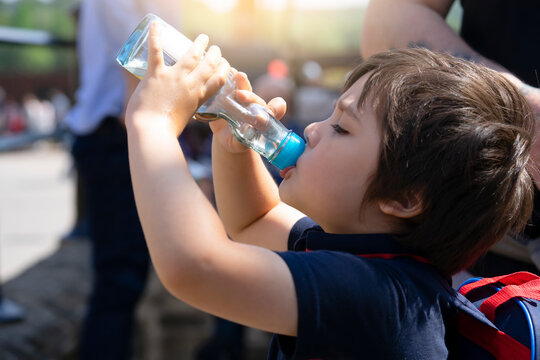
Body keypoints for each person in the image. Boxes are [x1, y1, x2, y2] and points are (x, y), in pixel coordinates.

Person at [125, 24, 534, 358]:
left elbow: (196, 268)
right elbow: (254, 220)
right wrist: (230, 136)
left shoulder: (382, 298)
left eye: (342, 127)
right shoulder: (370, 257)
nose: (314, 129)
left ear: (403, 199)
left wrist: (153, 123)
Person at [361, 0, 540, 276]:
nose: (312, 130)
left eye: (341, 129)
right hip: (486, 246)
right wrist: (524, 109)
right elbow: (388, 15)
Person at [64, 1, 181, 358]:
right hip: (117, 135)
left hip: (114, 133)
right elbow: (144, 49)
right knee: (121, 277)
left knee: (122, 276)